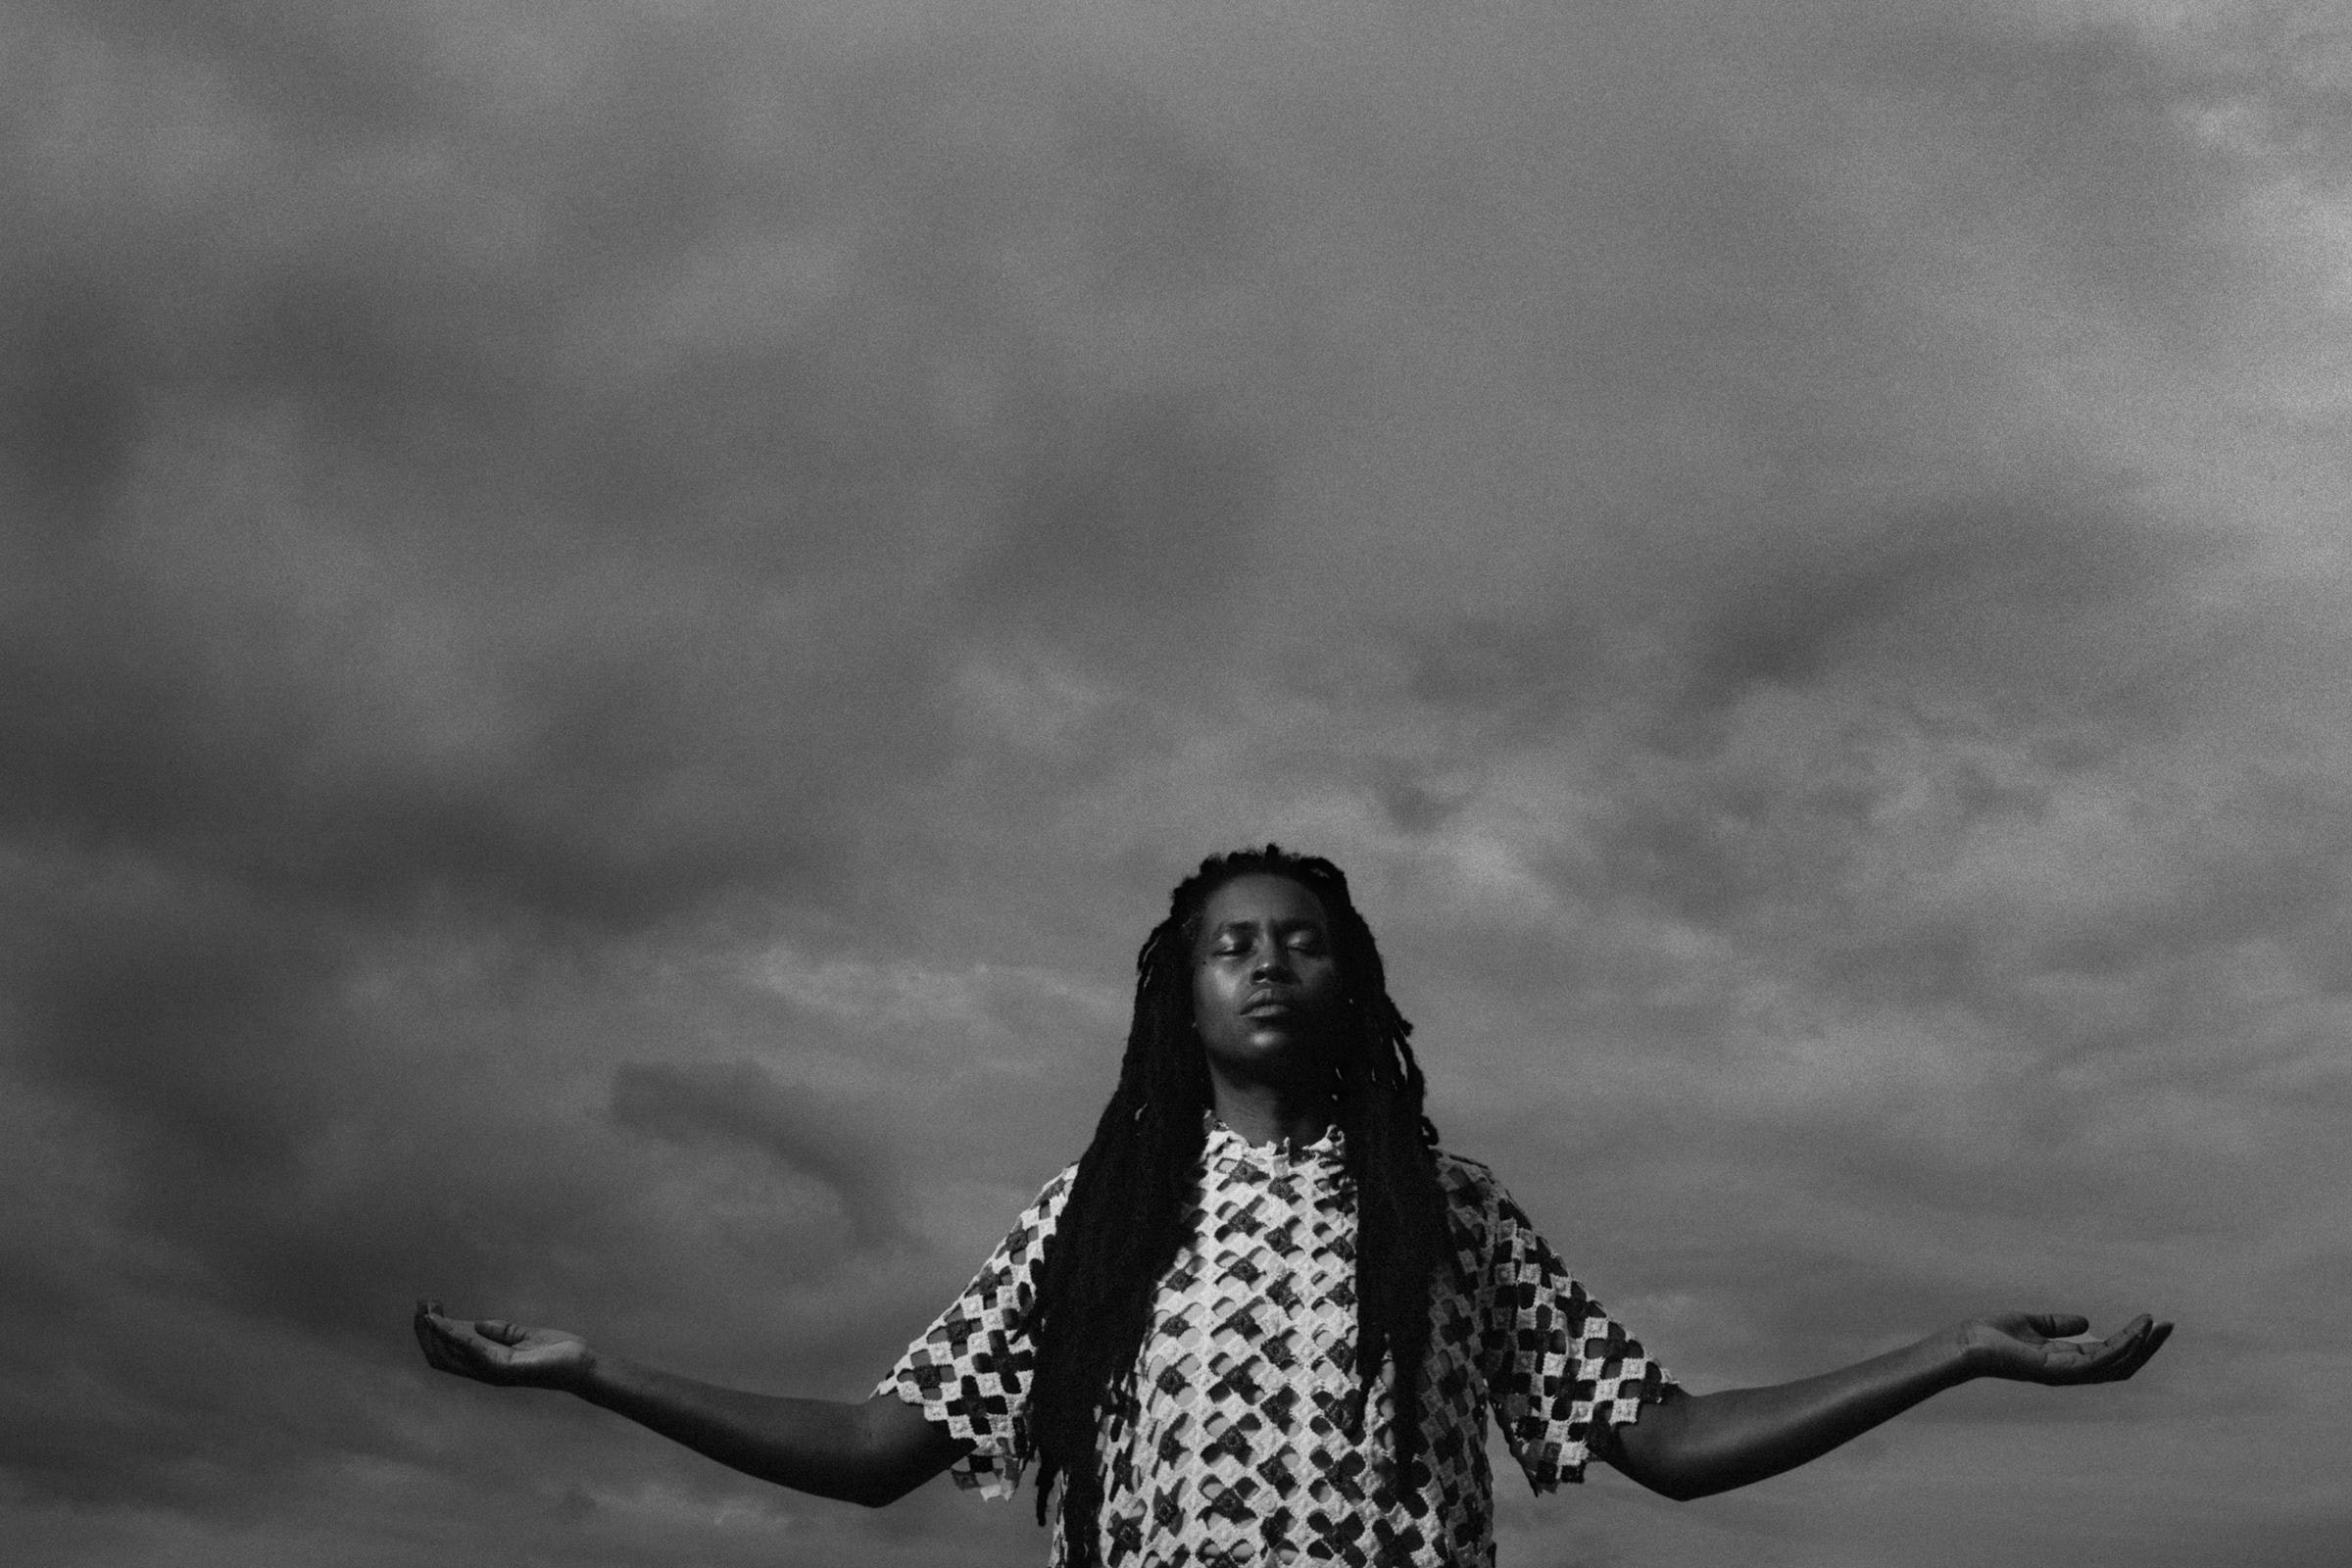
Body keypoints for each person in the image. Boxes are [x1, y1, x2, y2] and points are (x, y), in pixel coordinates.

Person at [415, 845, 2170, 1566]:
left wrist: (1955, 1351)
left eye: (1299, 940)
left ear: (1356, 980)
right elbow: (886, 1445)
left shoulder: (1447, 1211)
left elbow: (1670, 1437)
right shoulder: (1095, 1213)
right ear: (1177, 994)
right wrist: (593, 1373)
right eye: (1228, 946)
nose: (1265, 964)